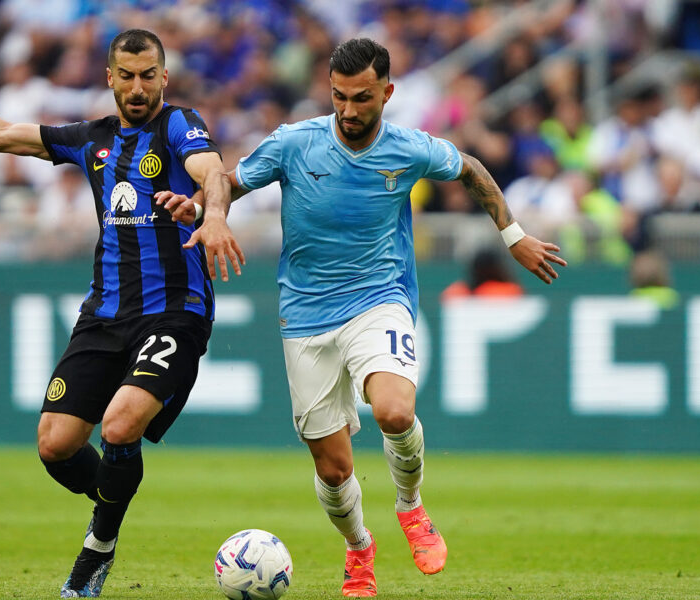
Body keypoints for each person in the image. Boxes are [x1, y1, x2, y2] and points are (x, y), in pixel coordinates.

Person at [160, 38, 566, 598]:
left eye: (363, 98)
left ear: (387, 93)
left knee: (395, 412)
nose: (349, 111)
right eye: (340, 97)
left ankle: (411, 506)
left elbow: (469, 168)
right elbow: (229, 181)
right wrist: (208, 209)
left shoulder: (408, 148)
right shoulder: (295, 142)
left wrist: (513, 236)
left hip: (381, 297)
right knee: (332, 469)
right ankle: (358, 549)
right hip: (304, 315)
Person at [0, 28, 239, 598]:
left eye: (148, 75)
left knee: (119, 423)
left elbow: (210, 169)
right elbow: (1, 134)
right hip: (104, 313)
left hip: (174, 312)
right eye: (127, 76)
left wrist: (214, 215)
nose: (138, 87)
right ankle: (116, 488)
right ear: (110, 78)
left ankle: (97, 550)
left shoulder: (180, 125)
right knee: (55, 445)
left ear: (164, 76)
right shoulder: (91, 139)